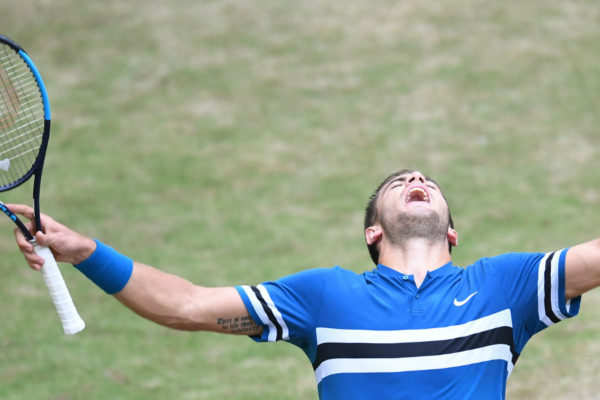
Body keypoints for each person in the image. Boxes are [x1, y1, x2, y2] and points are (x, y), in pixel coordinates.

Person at [9, 169, 600, 399]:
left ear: (452, 233)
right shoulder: (322, 297)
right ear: (373, 232)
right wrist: (84, 250)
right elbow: (184, 305)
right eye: (401, 182)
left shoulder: (506, 285)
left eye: (427, 182)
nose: (417, 178)